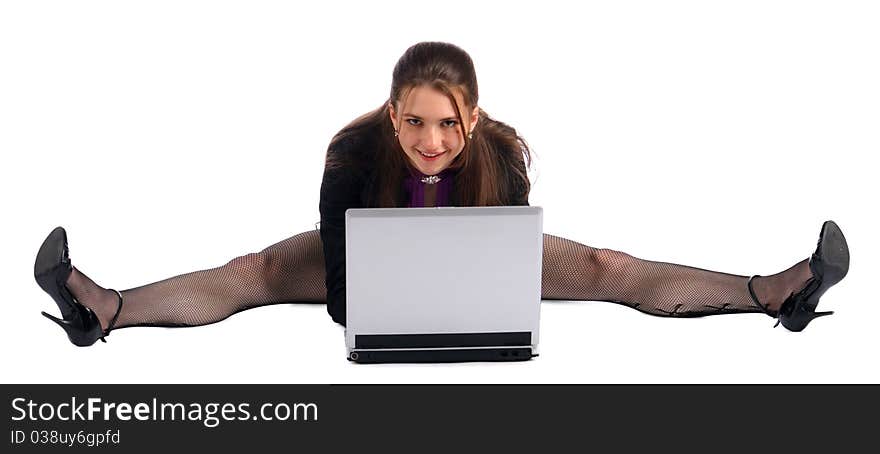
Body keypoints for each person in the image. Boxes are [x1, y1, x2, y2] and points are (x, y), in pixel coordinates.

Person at [34, 41, 850, 347]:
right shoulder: (352, 156)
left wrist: (476, 309)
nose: (432, 142)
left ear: (473, 118)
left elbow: (501, 263)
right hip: (368, 268)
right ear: (393, 117)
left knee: (605, 264)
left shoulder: (501, 155)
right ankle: (103, 307)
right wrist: (386, 313)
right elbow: (345, 293)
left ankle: (773, 292)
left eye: (448, 125)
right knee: (253, 270)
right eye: (416, 123)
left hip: (466, 274)